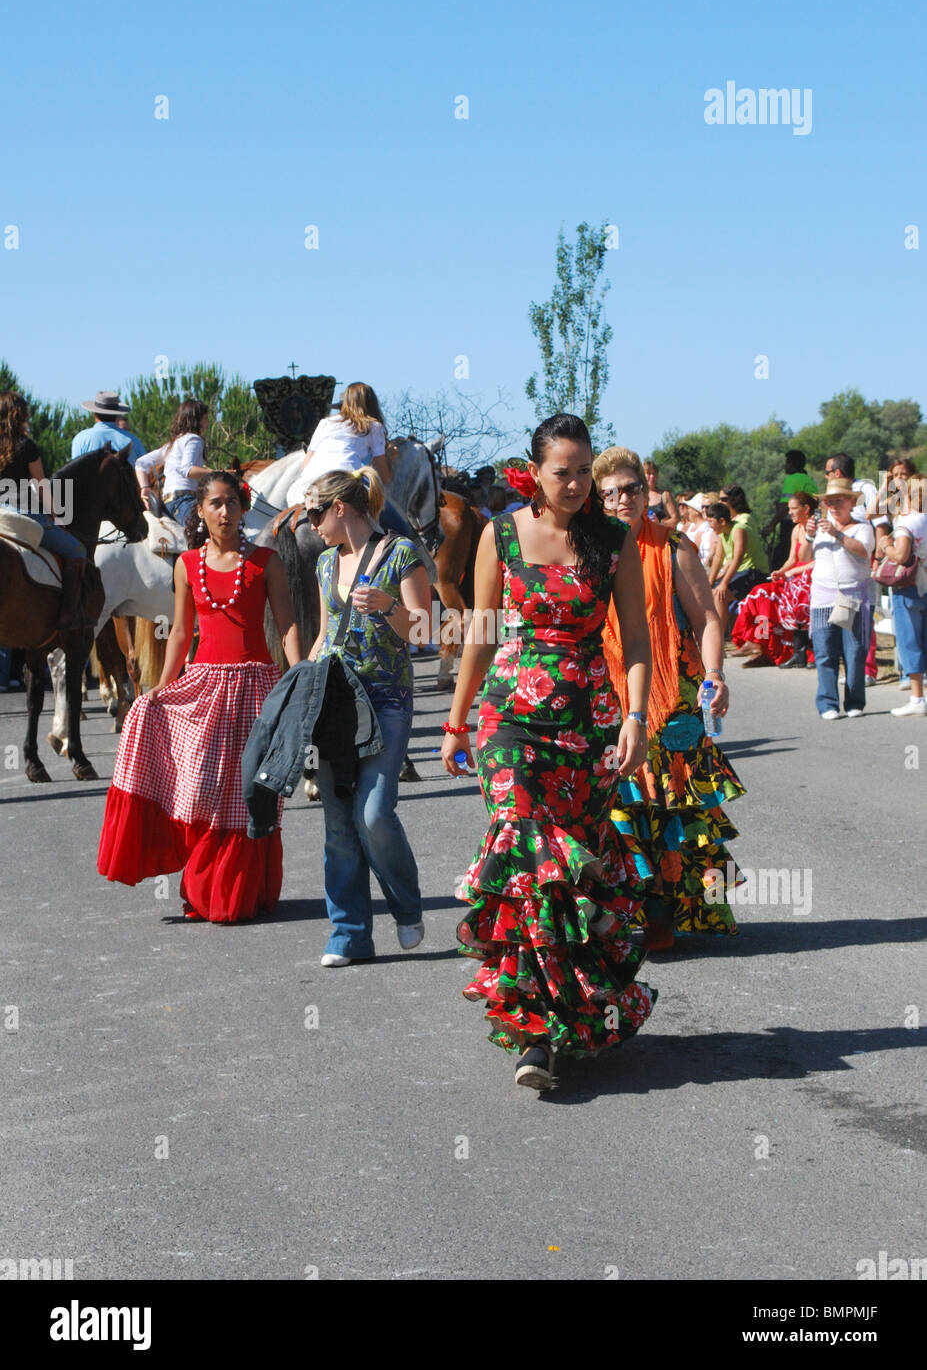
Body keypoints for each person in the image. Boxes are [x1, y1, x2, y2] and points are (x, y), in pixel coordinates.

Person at [441, 413, 656, 1092]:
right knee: (528, 855)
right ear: (532, 471)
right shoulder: (498, 533)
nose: (572, 483)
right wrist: (453, 722)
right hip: (509, 718)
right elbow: (478, 631)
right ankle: (533, 1037)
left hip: (586, 723)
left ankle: (571, 1014)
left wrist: (636, 720)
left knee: (574, 873)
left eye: (581, 471)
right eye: (560, 471)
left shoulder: (612, 539)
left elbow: (639, 643)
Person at [97, 471, 302, 921]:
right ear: (202, 511)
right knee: (203, 788)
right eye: (216, 504)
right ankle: (201, 884)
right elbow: (180, 634)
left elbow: (286, 624)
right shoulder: (187, 564)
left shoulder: (267, 561)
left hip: (256, 690)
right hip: (205, 687)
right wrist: (160, 690)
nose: (225, 512)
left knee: (248, 793)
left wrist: (299, 676)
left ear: (244, 508)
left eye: (232, 503)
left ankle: (240, 890)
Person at [595, 448, 743, 951]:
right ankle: (619, 911)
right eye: (609, 492)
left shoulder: (674, 546)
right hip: (607, 695)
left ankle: (662, 914)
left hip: (671, 699)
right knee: (618, 809)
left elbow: (707, 620)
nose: (621, 500)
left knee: (671, 810)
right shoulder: (588, 549)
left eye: (630, 489)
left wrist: (717, 675)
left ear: (646, 490)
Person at [306, 466, 432, 964]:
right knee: (338, 825)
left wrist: (386, 608)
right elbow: (323, 634)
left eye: (316, 512)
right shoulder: (322, 565)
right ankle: (349, 935)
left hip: (386, 699)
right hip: (336, 703)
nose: (312, 523)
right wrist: (300, 688)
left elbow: (423, 632)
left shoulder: (401, 553)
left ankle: (407, 909)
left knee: (374, 813)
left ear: (341, 508)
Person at [0, 390, 88, 629]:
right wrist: (57, 516)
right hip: (21, 514)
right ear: (21, 415)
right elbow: (40, 485)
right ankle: (68, 616)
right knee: (77, 549)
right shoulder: (26, 446)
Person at [803, 477, 875, 720]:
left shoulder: (862, 527)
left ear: (850, 502)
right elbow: (804, 556)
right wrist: (809, 535)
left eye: (838, 501)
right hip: (823, 597)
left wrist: (837, 535)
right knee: (824, 652)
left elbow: (863, 550)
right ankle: (827, 703)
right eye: (829, 502)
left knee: (854, 651)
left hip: (852, 596)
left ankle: (854, 701)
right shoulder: (820, 528)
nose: (833, 506)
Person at [731, 491, 816, 667]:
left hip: (809, 576)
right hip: (794, 576)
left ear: (806, 509)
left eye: (793, 509)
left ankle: (789, 649)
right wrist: (781, 571)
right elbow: (792, 559)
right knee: (760, 593)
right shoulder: (797, 529)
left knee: (769, 594)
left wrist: (793, 572)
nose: (790, 513)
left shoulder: (815, 529)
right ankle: (761, 644)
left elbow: (818, 561)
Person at [285, 383, 391, 508]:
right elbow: (384, 478)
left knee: (309, 516)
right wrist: (391, 459)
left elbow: (305, 465)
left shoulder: (325, 423)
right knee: (396, 523)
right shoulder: (374, 426)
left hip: (307, 488)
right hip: (342, 484)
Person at [873, 475, 927, 716]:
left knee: (909, 642)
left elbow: (902, 556)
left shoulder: (909, 521)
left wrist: (886, 546)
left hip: (908, 587)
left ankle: (917, 698)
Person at [134, 398, 212, 528]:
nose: (208, 423)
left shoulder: (172, 444)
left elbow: (141, 463)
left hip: (169, 502)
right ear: (197, 420)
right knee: (213, 530)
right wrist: (219, 474)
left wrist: (145, 488)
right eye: (206, 418)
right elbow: (187, 470)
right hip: (185, 501)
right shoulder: (194, 439)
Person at [708, 486, 769, 629]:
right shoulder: (723, 533)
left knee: (720, 594)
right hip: (741, 571)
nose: (709, 526)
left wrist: (724, 583)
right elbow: (718, 558)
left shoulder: (739, 530)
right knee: (712, 592)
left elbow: (737, 558)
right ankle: (721, 634)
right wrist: (710, 581)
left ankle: (720, 637)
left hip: (754, 571)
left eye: (711, 522)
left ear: (722, 521)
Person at [761, 449, 818, 569]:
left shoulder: (791, 479)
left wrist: (772, 525)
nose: (785, 466)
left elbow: (783, 507)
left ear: (792, 464)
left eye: (787, 462)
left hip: (792, 525)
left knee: (782, 556)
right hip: (812, 523)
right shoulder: (810, 481)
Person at [71, 389, 146, 466]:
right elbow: (144, 468)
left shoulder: (81, 438)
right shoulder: (134, 441)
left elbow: (73, 472)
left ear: (95, 415)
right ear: (117, 415)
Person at [643, 458, 678, 527]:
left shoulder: (665, 495)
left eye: (654, 473)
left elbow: (675, 519)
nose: (652, 476)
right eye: (649, 473)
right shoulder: (637, 495)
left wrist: (659, 524)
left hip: (661, 535)